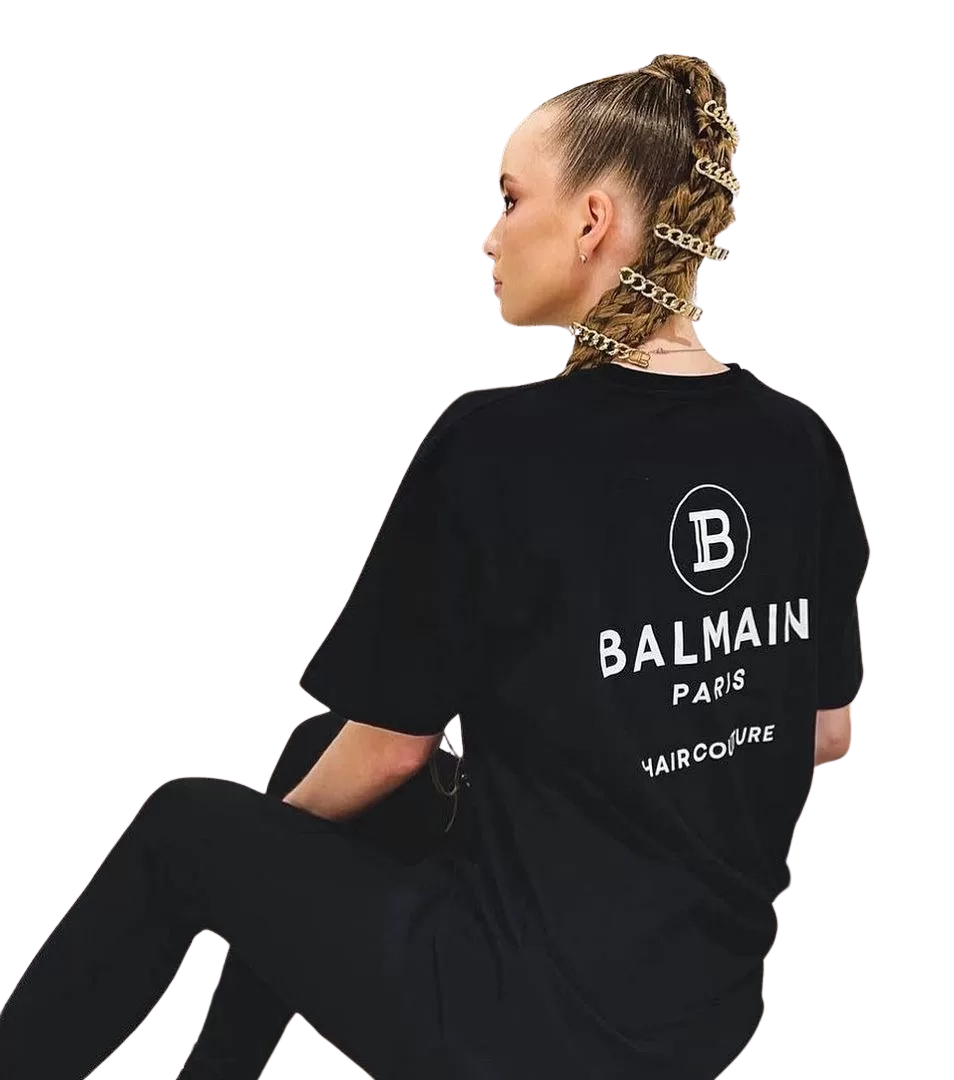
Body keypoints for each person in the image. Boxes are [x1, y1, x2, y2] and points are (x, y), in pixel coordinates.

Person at [0, 53, 869, 1079]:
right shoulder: (799, 441)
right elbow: (824, 733)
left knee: (185, 829)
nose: (490, 237)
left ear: (592, 221)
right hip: (706, 1012)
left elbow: (392, 756)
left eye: (510, 199)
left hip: (529, 1022)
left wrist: (253, 874)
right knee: (315, 743)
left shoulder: (497, 444)